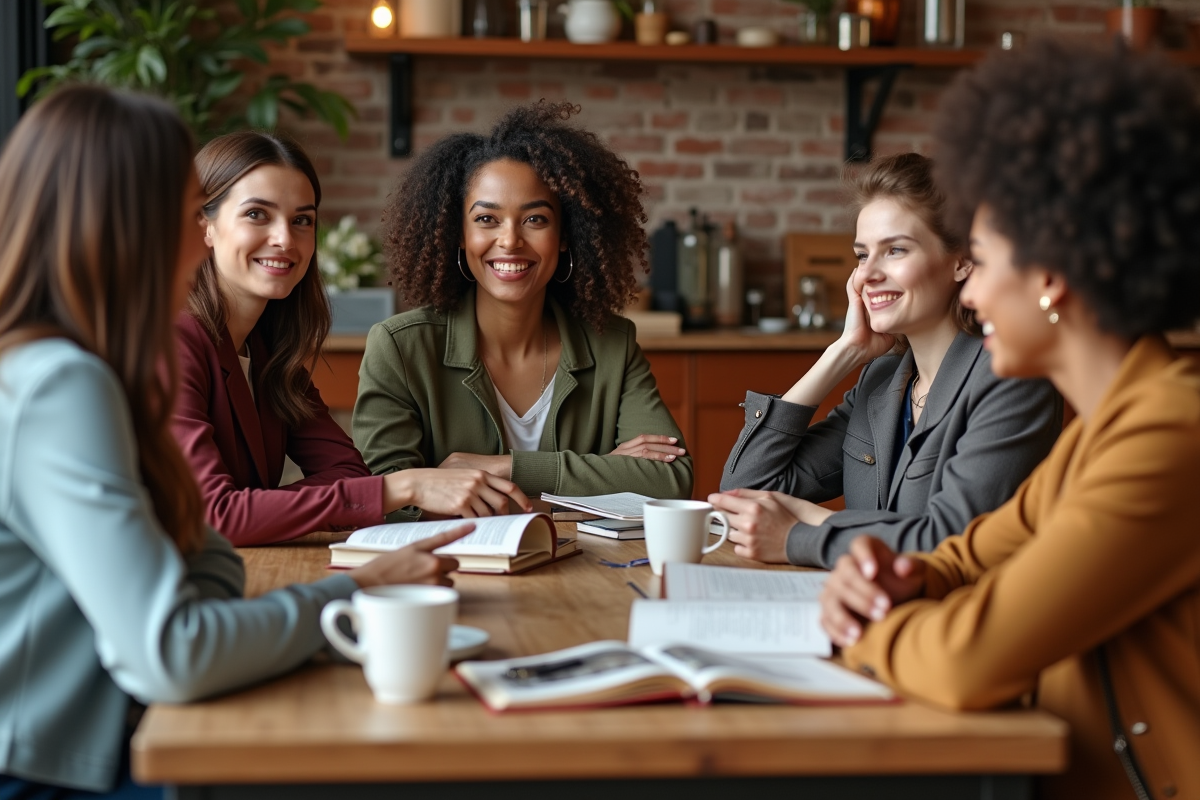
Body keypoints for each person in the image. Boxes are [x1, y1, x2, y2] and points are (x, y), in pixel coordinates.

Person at [0, 86, 466, 797]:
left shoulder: (84, 366)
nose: (195, 233)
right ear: (124, 221)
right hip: (54, 766)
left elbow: (206, 551)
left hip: (93, 733)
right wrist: (353, 592)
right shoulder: (61, 385)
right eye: (186, 207)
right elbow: (174, 649)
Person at [819, 41, 1200, 800]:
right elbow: (966, 558)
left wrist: (862, 630)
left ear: (1052, 278)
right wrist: (893, 581)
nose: (975, 293)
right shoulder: (1103, 429)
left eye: (983, 261)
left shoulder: (1170, 434)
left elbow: (967, 659)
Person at [175, 131, 530, 545]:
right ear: (205, 224)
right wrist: (404, 487)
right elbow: (214, 515)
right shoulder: (172, 342)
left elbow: (348, 473)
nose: (285, 239)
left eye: (302, 220)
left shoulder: (269, 351)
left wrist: (259, 508)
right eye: (257, 214)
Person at [711, 153, 1061, 568]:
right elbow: (745, 488)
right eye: (862, 255)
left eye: (895, 250)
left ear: (963, 260)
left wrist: (805, 532)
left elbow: (950, 541)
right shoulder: (880, 379)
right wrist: (842, 354)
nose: (867, 275)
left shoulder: (1011, 377)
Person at [354, 101, 691, 518]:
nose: (510, 241)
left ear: (566, 236)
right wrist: (593, 482)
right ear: (459, 234)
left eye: (535, 220)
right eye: (487, 220)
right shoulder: (400, 348)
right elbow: (384, 500)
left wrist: (502, 467)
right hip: (449, 573)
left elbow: (670, 480)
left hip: (584, 576)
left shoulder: (612, 345)